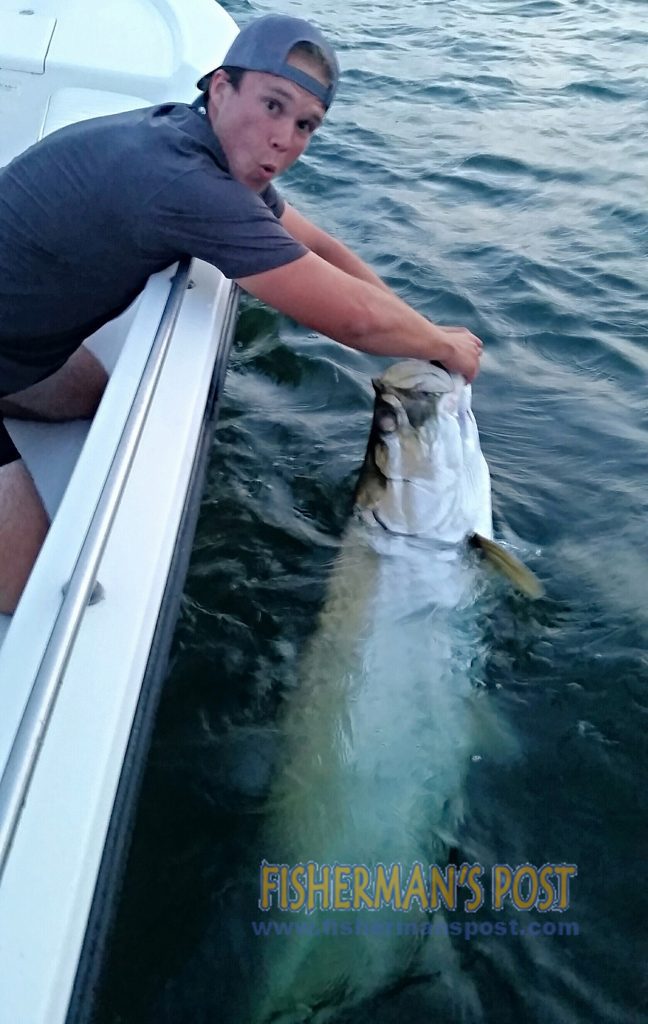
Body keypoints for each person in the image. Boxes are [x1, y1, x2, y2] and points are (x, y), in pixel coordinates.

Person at [0, 13, 483, 614]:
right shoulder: (183, 180)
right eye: (273, 105)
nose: (285, 138)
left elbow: (324, 250)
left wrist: (424, 333)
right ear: (221, 88)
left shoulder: (196, 145)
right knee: (25, 588)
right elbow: (352, 322)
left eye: (306, 123)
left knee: (88, 396)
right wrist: (443, 347)